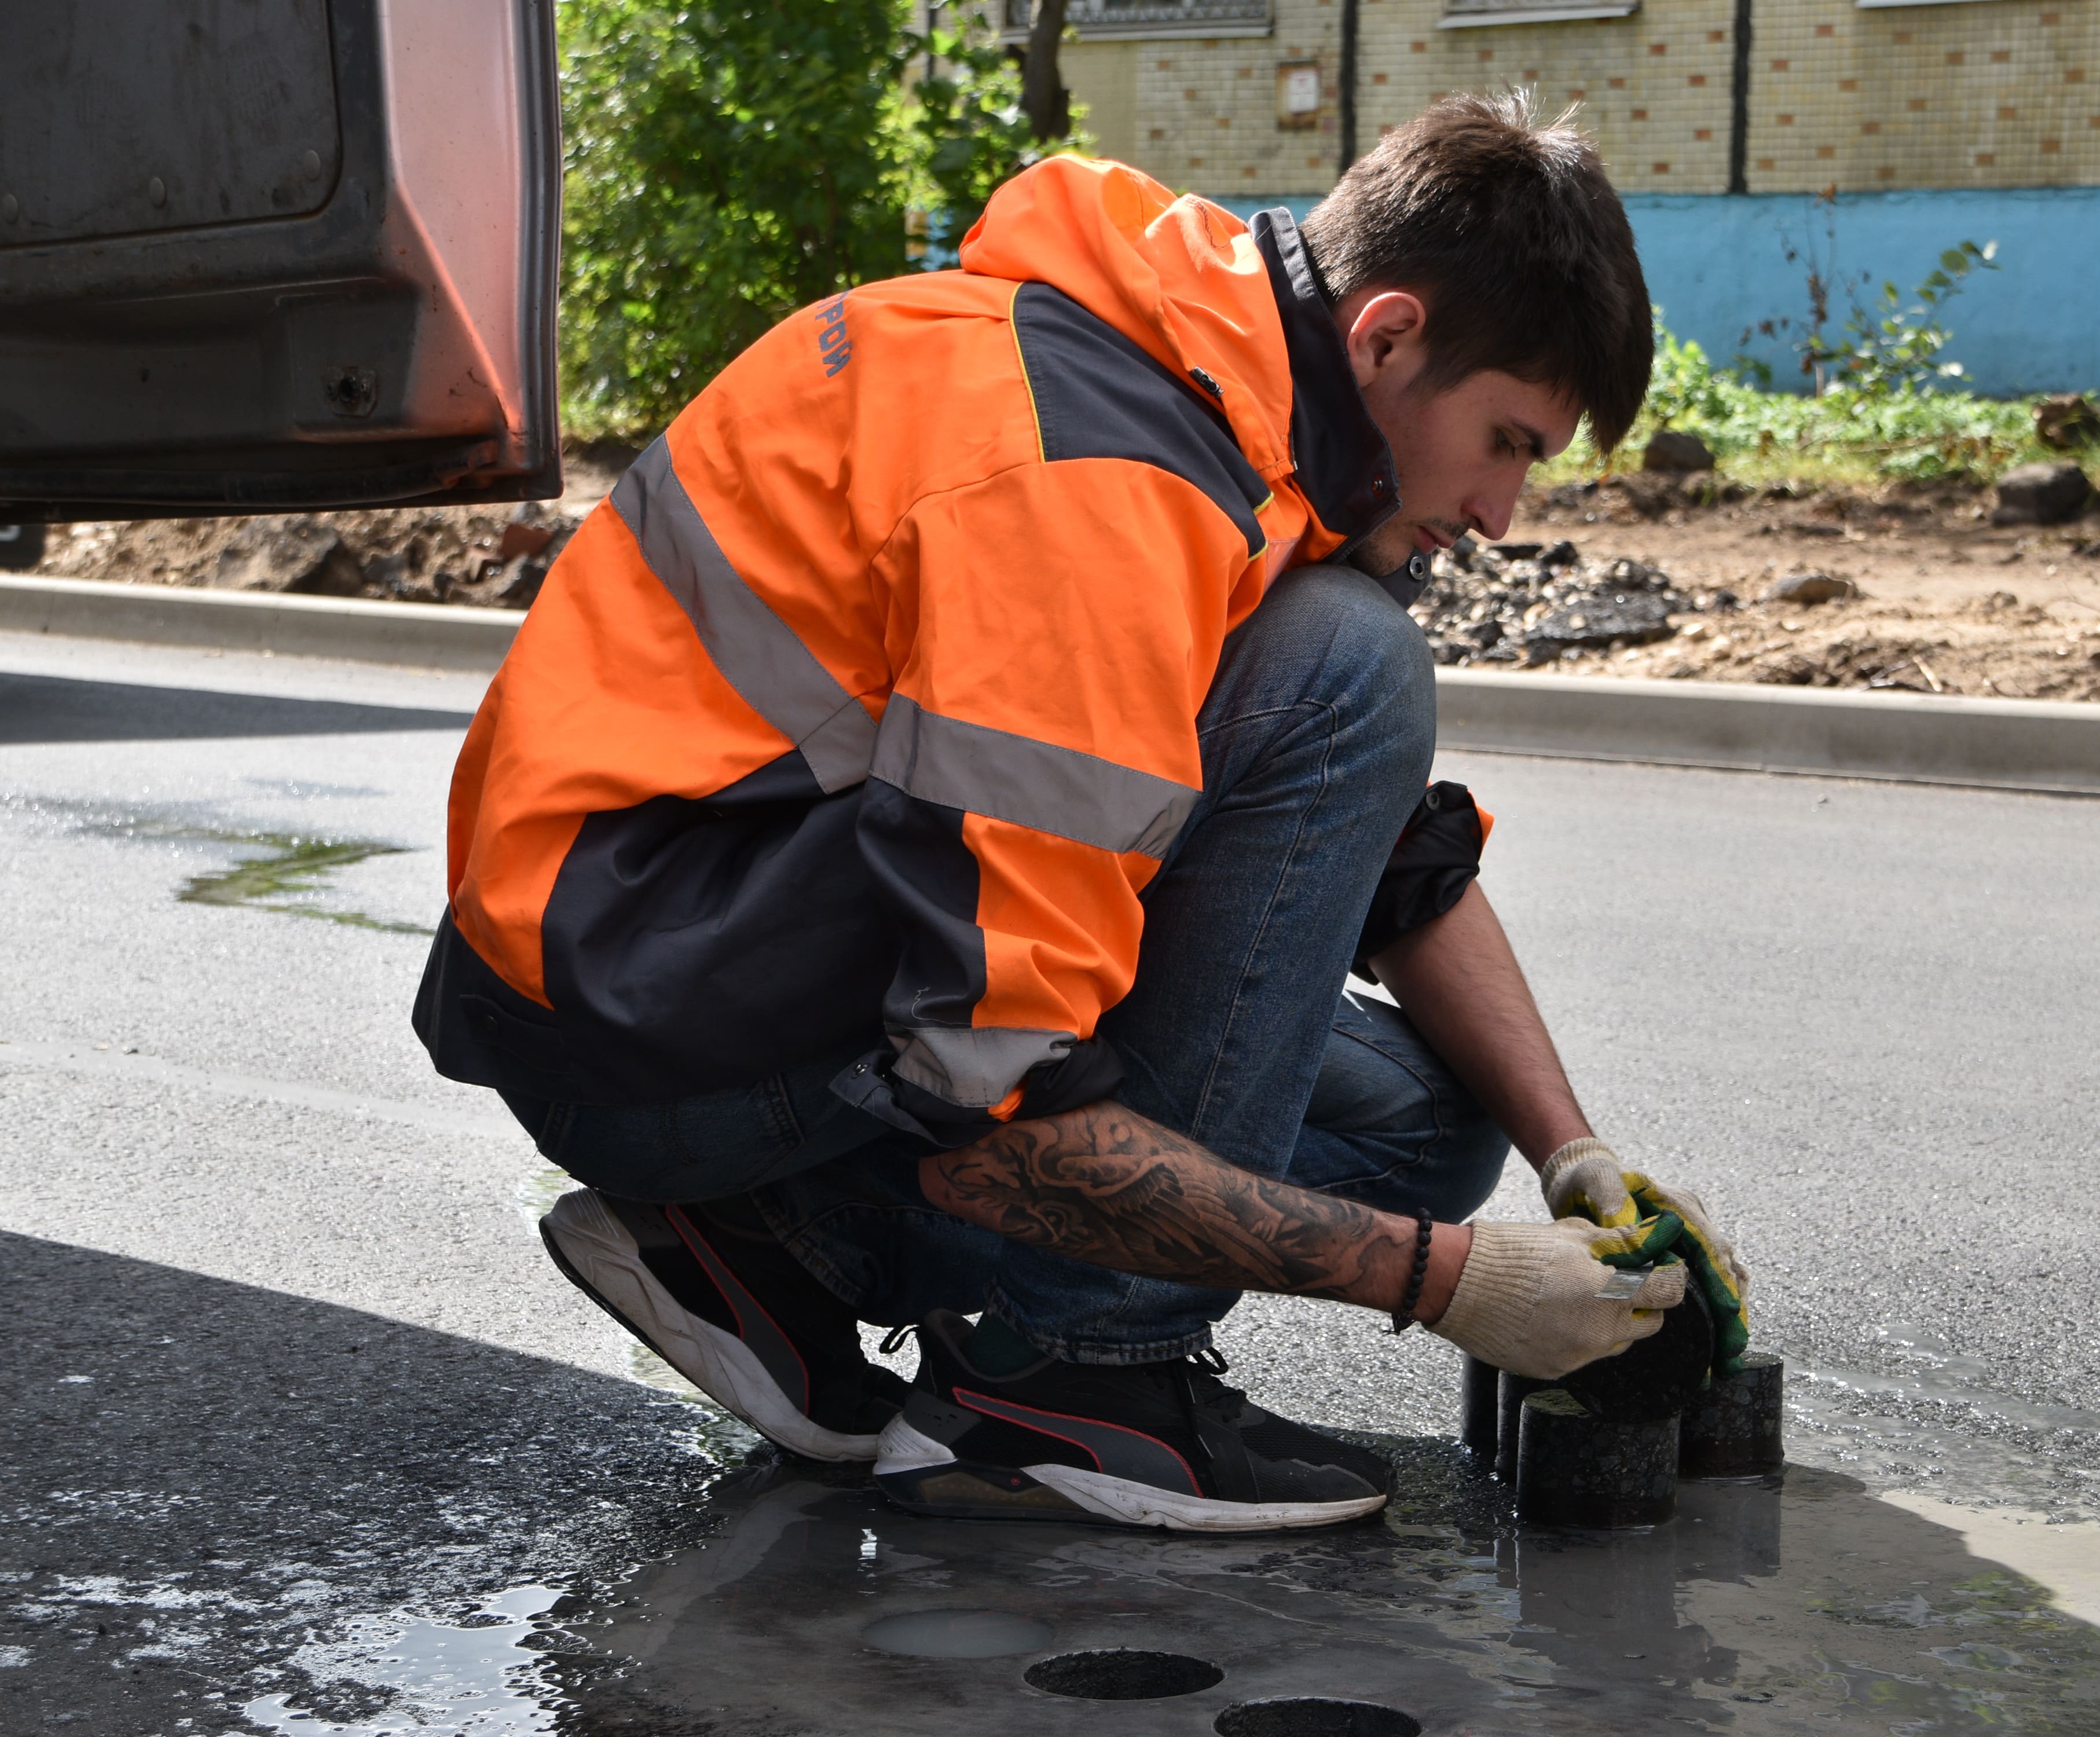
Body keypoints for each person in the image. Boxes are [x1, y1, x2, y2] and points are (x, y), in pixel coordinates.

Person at [414, 93, 1742, 1534]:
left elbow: (1381, 864)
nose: (1499, 511)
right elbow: (999, 1094)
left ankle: (781, 1249)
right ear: (1385, 337)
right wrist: (1447, 1285)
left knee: (1424, 1134)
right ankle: (1069, 1392)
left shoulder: (1207, 391)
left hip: (707, 945)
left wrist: (1570, 1157)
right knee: (1351, 661)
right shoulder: (1099, 488)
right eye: (1509, 442)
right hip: (643, 1024)